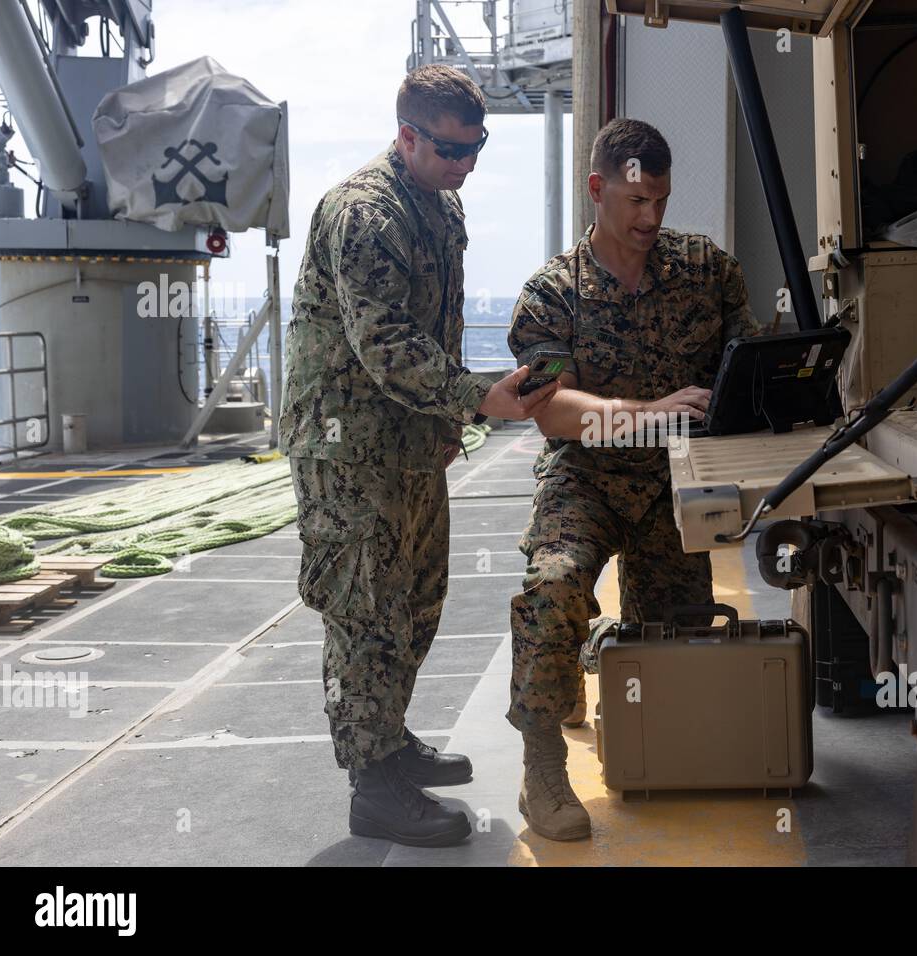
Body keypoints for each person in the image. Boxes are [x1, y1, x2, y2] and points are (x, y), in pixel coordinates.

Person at [280, 65, 557, 848]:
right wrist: (478, 397)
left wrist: (448, 421)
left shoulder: (439, 203)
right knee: (364, 613)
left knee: (418, 600)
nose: (465, 165)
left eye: (477, 149)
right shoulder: (364, 213)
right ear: (406, 136)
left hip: (408, 441)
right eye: (449, 150)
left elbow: (439, 319)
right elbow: (384, 345)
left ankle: (391, 742)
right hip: (348, 450)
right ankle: (373, 785)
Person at [505, 118, 760, 840]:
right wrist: (648, 415)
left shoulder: (707, 270)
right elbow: (552, 411)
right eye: (635, 201)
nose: (650, 218)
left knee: (677, 642)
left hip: (673, 486)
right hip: (586, 478)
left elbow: (742, 365)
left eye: (661, 201)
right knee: (553, 586)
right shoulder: (552, 292)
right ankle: (543, 762)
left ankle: (599, 648)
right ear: (597, 188)